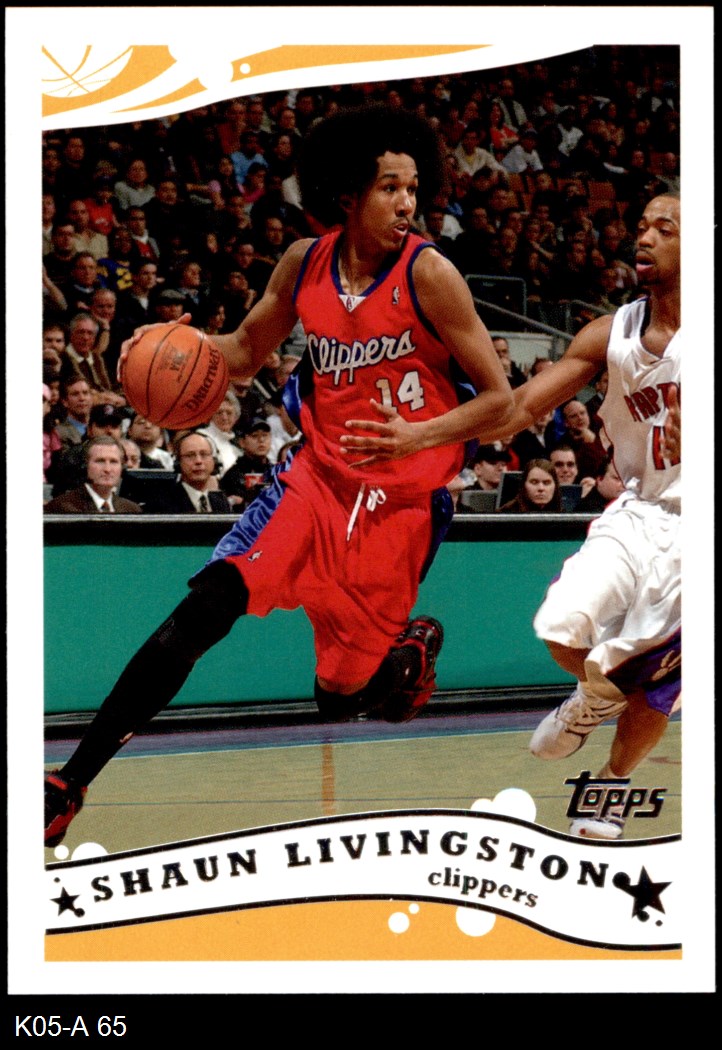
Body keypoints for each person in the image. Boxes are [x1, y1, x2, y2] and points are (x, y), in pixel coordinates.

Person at [44, 103, 513, 846]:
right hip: (314, 483)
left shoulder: (431, 273)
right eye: (390, 187)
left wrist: (417, 434)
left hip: (398, 507)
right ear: (347, 192)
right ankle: (70, 781)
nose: (407, 203)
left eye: (413, 188)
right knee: (208, 604)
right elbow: (240, 351)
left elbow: (501, 400)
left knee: (340, 700)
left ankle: (406, 651)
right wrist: (167, 347)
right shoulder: (303, 262)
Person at [477, 193, 681, 840]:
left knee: (657, 679)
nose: (644, 237)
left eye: (665, 228)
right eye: (641, 226)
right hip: (640, 510)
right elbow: (516, 410)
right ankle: (594, 697)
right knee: (560, 625)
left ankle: (610, 789)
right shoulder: (609, 334)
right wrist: (427, 434)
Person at [44, 436, 142, 514]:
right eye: (100, 461)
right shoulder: (61, 508)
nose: (107, 469)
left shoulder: (132, 510)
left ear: (122, 468)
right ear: (85, 466)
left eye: (113, 462)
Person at [143, 431, 232, 514]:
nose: (198, 461)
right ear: (178, 462)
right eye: (190, 455)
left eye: (204, 454)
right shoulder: (161, 503)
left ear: (214, 461)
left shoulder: (221, 501)